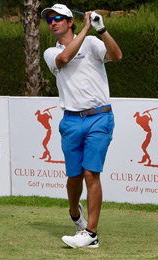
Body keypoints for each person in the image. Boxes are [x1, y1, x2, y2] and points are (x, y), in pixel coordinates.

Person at [41, 4, 122, 248]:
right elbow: (64, 58)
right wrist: (86, 29)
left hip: (99, 116)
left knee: (91, 173)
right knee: (74, 177)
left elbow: (117, 55)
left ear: (70, 22)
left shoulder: (91, 43)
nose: (52, 22)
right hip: (71, 120)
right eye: (49, 20)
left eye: (57, 18)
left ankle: (92, 233)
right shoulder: (49, 52)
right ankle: (75, 215)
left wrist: (102, 30)